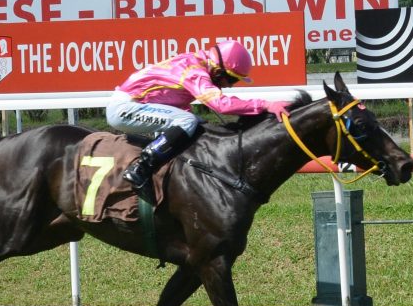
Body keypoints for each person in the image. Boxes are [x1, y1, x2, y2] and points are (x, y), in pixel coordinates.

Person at [107, 40, 292, 202]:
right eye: (231, 79)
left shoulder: (197, 63)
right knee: (187, 121)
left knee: (197, 123)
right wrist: (265, 105)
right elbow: (221, 105)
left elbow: (174, 103)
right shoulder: (194, 71)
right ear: (218, 70)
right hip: (124, 109)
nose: (229, 85)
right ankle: (140, 169)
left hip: (136, 105)